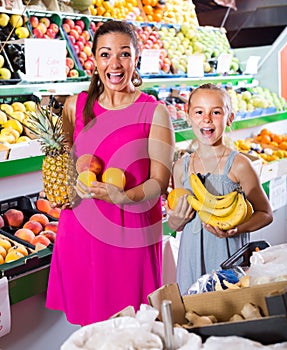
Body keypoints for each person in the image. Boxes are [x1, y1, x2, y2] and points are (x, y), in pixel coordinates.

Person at [46, 20, 175, 326]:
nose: (114, 64)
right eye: (105, 54)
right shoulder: (74, 106)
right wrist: (57, 188)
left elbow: (160, 181)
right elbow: (62, 158)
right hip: (79, 234)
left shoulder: (153, 112)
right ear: (94, 60)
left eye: (124, 54)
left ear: (137, 57)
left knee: (133, 329)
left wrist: (125, 196)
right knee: (90, 331)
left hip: (130, 235)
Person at [166, 83, 273, 295]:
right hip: (190, 259)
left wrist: (237, 229)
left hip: (228, 258)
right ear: (188, 117)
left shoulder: (240, 165)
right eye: (199, 112)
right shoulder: (181, 167)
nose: (206, 119)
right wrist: (176, 220)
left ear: (229, 118)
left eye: (216, 112)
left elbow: (266, 213)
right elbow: (176, 225)